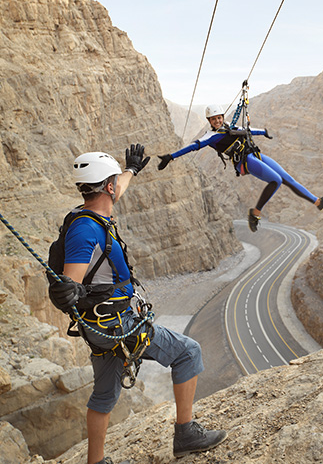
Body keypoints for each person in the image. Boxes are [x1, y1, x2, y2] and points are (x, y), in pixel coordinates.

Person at [48, 144, 227, 464]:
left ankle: (96, 461)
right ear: (107, 186)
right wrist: (68, 291)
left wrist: (131, 169)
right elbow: (70, 281)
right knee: (188, 351)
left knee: (104, 396)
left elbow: (118, 187)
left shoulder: (91, 214)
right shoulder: (86, 230)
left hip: (103, 328)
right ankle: (185, 433)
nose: (118, 185)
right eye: (116, 180)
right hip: (117, 324)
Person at [158, 104, 323, 232]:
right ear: (209, 121)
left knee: (288, 179)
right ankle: (255, 213)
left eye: (219, 117)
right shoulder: (211, 136)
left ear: (222, 117)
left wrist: (264, 131)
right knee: (276, 180)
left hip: (255, 155)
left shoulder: (230, 127)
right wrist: (171, 157)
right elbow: (194, 146)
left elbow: (248, 130)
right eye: (214, 119)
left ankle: (318, 202)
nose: (217, 121)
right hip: (245, 161)